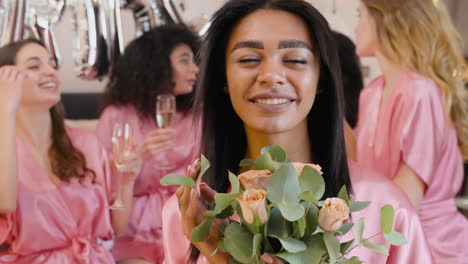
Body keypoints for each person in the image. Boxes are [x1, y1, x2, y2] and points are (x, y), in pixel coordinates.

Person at [161, 0, 435, 263]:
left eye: (294, 59)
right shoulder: (188, 216)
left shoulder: (384, 208)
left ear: (320, 79)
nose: (271, 74)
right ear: (223, 79)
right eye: (248, 59)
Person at [0, 39, 140, 263]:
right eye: (34, 66)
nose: (50, 72)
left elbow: (116, 227)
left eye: (53, 64)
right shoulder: (5, 149)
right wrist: (5, 107)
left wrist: (126, 181)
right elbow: (4, 202)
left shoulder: (85, 142)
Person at [353, 0, 468, 262]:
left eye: (361, 16)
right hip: (386, 237)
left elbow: (406, 200)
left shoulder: (421, 91)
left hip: (432, 247)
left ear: (384, 21)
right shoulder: (370, 93)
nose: (356, 28)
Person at [96, 24, 200, 264]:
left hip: (185, 226)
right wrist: (140, 158)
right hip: (133, 233)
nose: (195, 69)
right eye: (184, 61)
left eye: (194, 61)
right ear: (157, 65)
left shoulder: (198, 117)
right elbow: (103, 190)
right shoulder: (116, 116)